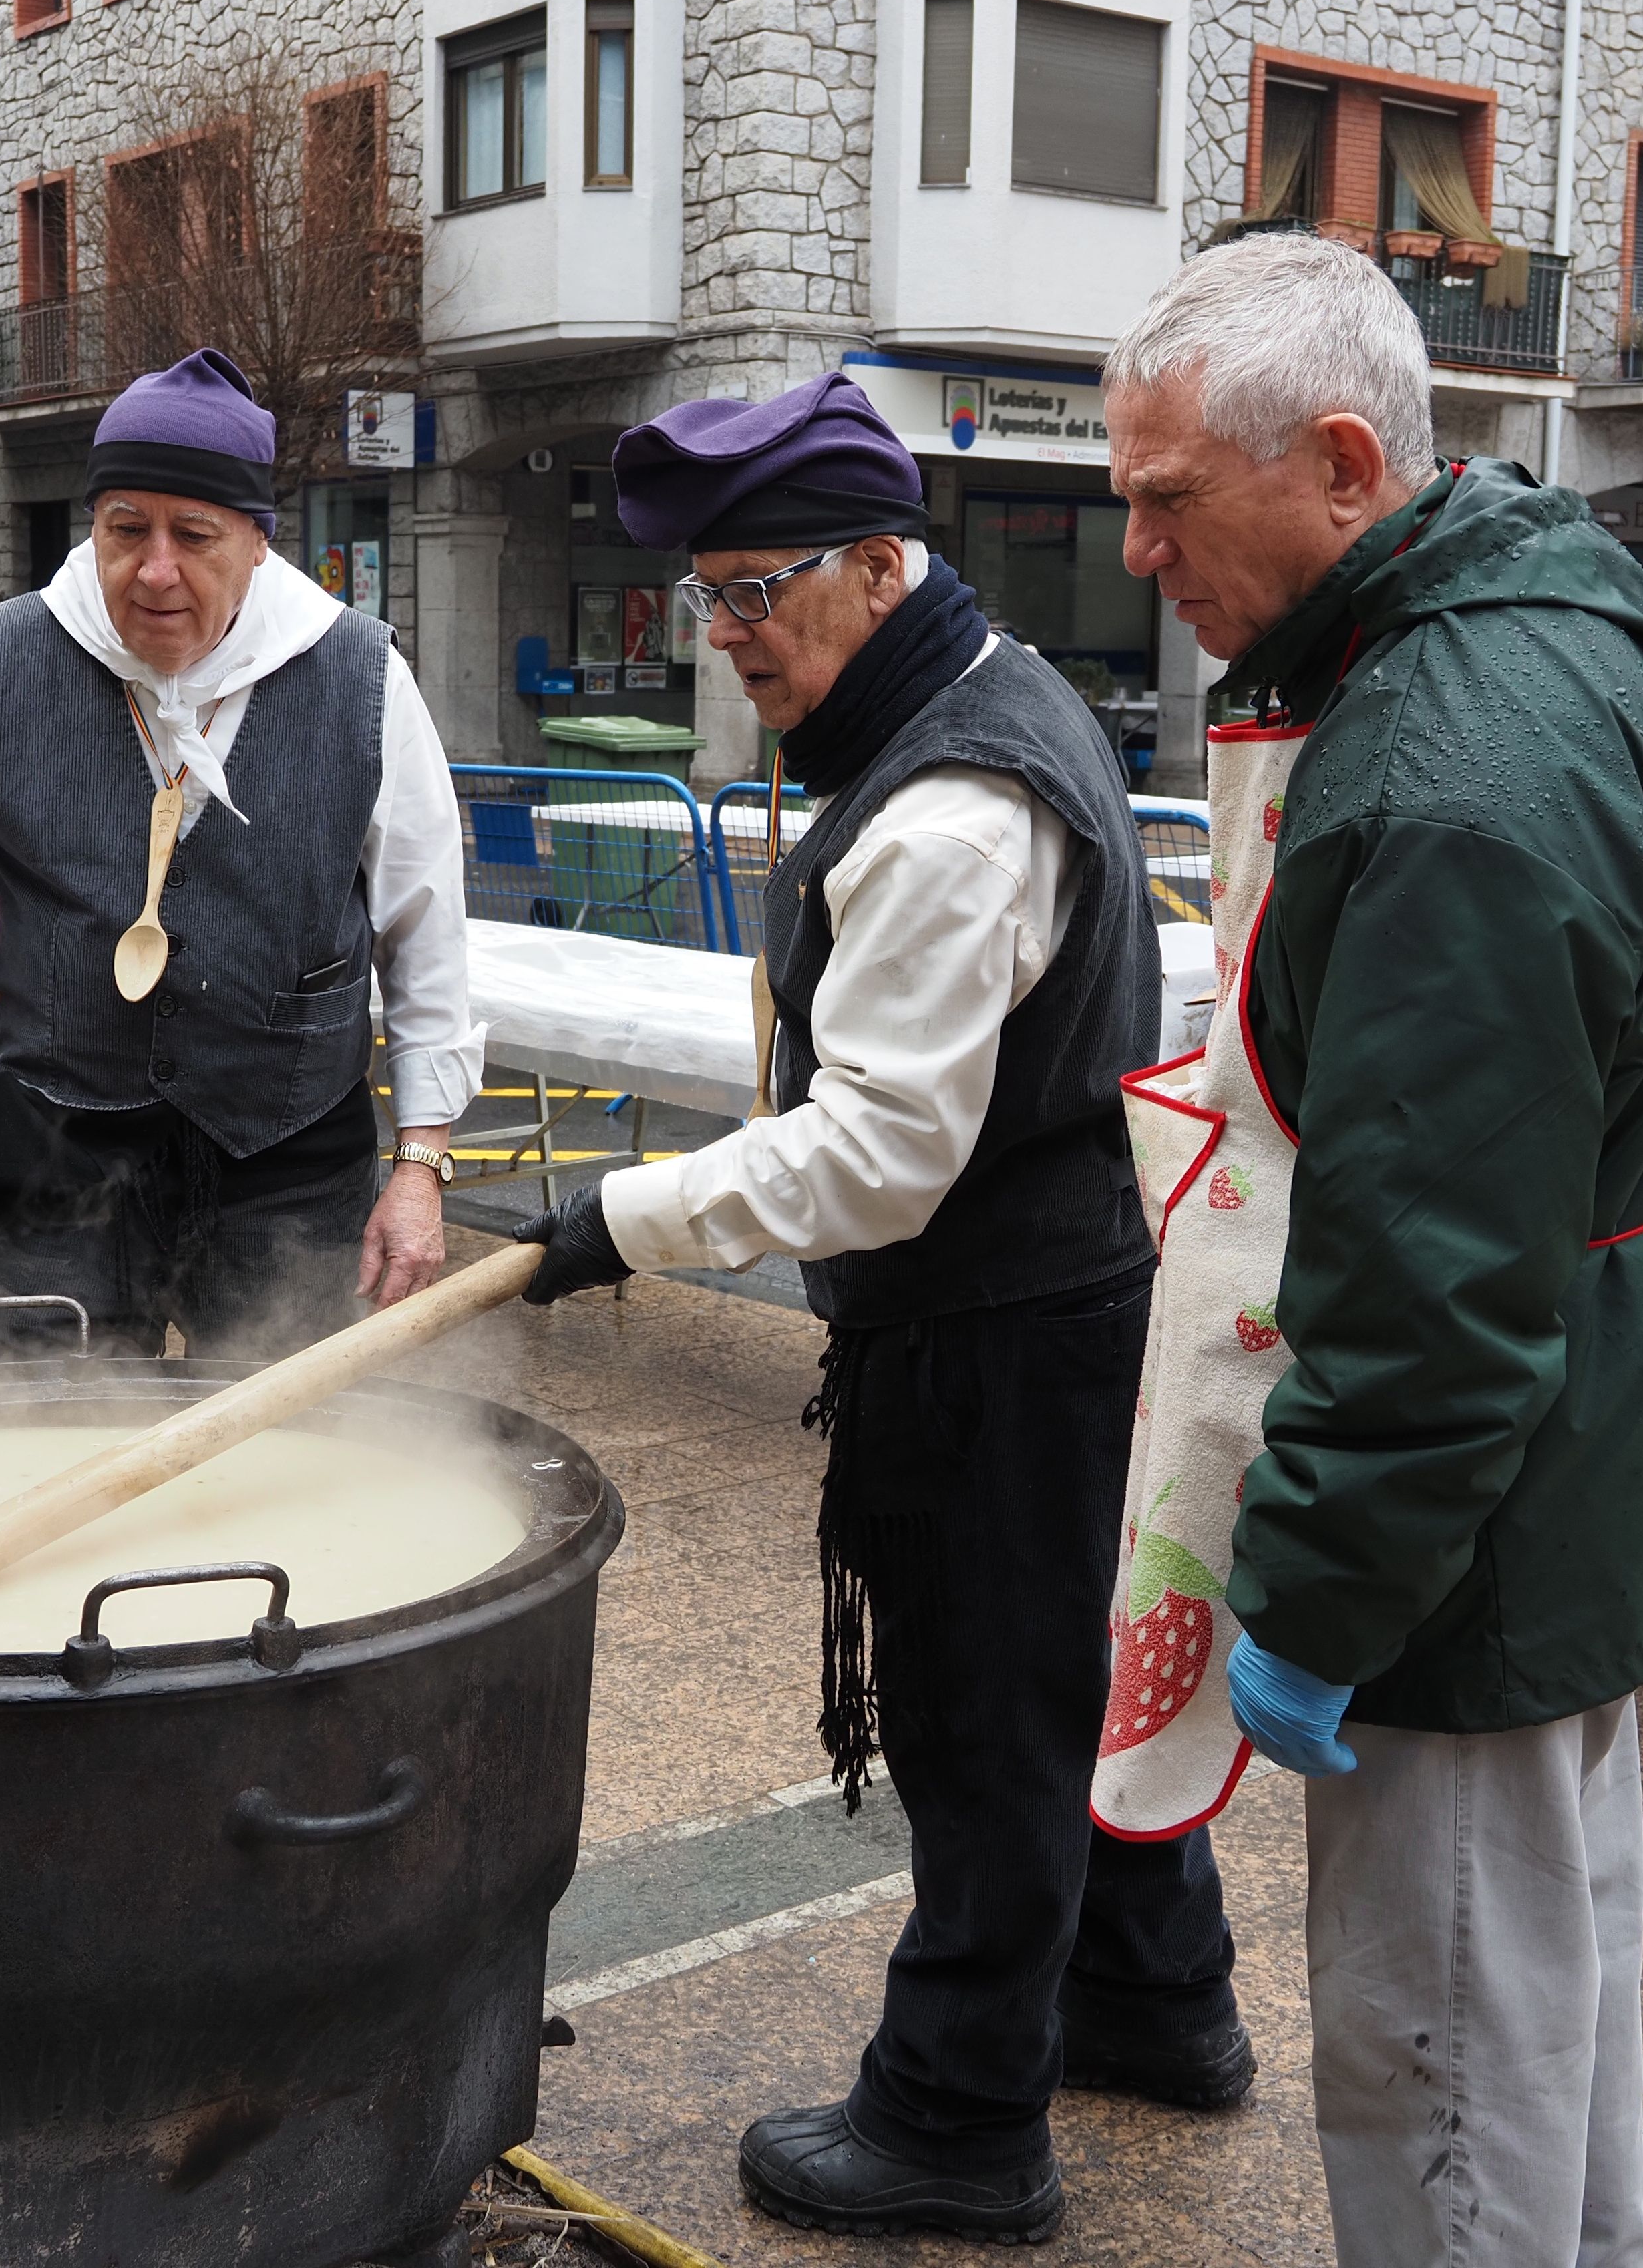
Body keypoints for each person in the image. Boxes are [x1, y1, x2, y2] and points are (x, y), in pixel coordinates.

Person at [514, 372, 1248, 2245]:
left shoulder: (942, 810)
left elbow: (873, 1157)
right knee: (1073, 1688)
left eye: (757, 592)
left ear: (877, 566)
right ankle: (1159, 2007)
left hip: (997, 1333)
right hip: (1072, 1293)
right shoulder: (993, 694)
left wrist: (613, 1217)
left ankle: (958, 2119)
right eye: (710, 600)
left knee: (986, 1723)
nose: (728, 637)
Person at [1101, 233, 1643, 2266]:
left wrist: (1314, 1594)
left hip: (1477, 1531)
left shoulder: (1444, 772)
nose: (1139, 551)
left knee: (1445, 2046)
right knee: (1560, 1982)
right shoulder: (1546, 626)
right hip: (1585, 1459)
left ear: (1334, 466)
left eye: (1162, 499)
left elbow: (1431, 1303)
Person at [0, 349, 477, 1358]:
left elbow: (428, 945)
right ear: (95, 527)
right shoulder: (6, 662)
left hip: (288, 1171)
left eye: (193, 535)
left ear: (258, 540)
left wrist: (423, 1168)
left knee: (280, 1481)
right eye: (126, 530)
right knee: (30, 1467)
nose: (154, 569)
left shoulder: (362, 679)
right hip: (56, 1163)